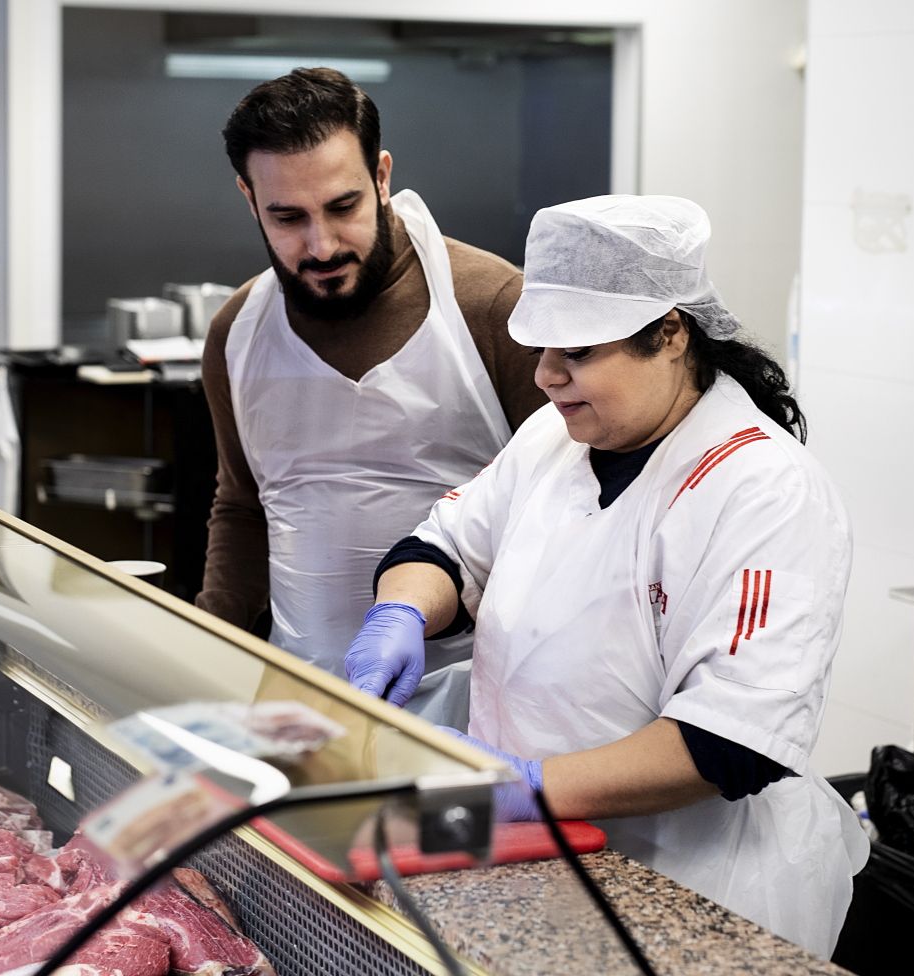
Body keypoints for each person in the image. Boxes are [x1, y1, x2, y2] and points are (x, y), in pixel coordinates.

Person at [343, 195, 869, 956]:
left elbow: (731, 741)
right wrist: (399, 615)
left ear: (668, 334)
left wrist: (525, 784)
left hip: (688, 886)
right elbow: (445, 550)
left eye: (578, 352)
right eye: (541, 349)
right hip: (526, 859)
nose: (548, 375)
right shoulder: (552, 440)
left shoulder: (763, 488)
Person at [197, 68, 544, 729]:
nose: (320, 245)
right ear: (249, 198)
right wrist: (202, 647)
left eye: (342, 207)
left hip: (477, 705)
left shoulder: (492, 307)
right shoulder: (238, 332)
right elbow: (241, 507)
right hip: (301, 705)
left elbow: (569, 516)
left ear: (382, 176)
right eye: (287, 217)